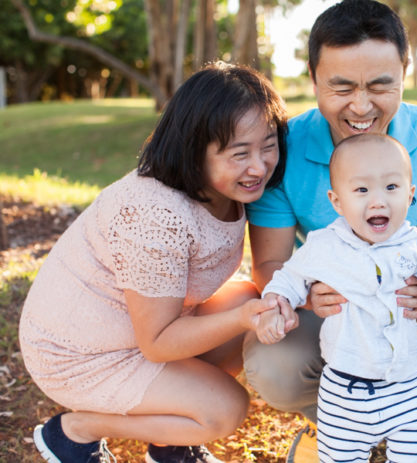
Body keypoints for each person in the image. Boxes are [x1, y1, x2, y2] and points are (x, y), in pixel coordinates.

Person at [243, 1, 417, 462]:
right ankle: (334, 425)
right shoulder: (284, 147)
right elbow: (270, 265)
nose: (361, 105)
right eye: (342, 87)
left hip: (406, 310)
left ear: (405, 73)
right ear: (313, 79)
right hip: (334, 316)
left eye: (379, 85)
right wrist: (313, 296)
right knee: (270, 361)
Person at [18, 61, 297, 463]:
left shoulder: (231, 191)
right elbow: (159, 342)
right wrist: (243, 319)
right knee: (225, 409)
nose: (259, 166)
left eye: (268, 146)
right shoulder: (155, 214)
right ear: (195, 149)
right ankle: (77, 430)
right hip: (80, 355)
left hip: (134, 335)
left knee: (245, 298)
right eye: (240, 153)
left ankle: (168, 445)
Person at [257, 133, 417, 463]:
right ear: (337, 201)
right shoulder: (324, 246)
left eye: (392, 188)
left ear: (411, 195)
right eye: (361, 190)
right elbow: (288, 279)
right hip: (344, 391)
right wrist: (275, 306)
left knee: (410, 457)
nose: (378, 201)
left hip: (406, 388)